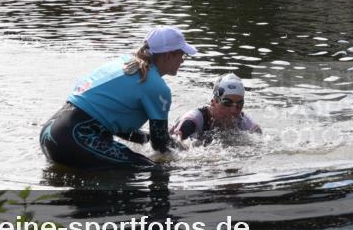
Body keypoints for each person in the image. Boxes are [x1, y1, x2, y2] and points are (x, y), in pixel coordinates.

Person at [40, 26, 197, 168]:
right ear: (168, 55)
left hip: (53, 132)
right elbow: (161, 144)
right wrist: (188, 151)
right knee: (153, 170)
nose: (183, 60)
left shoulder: (125, 63)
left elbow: (114, 126)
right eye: (182, 54)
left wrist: (148, 138)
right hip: (76, 137)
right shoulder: (157, 87)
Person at [170, 73, 261, 144]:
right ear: (213, 102)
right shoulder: (192, 121)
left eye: (239, 103)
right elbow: (172, 149)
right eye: (227, 102)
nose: (234, 110)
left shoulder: (243, 121)